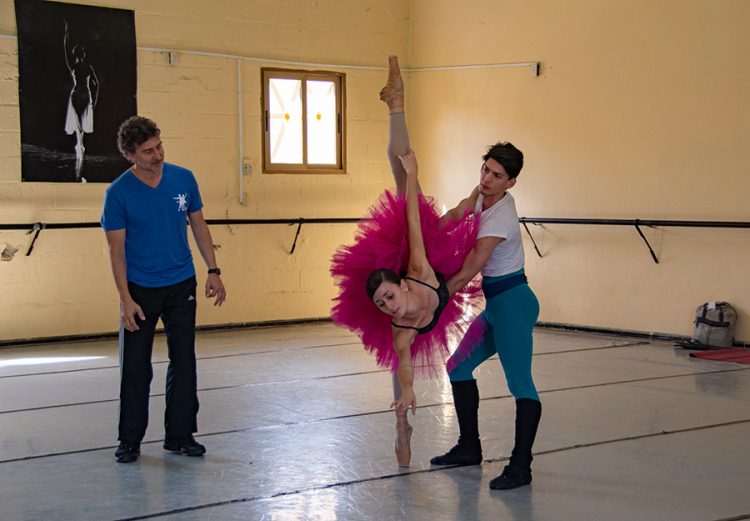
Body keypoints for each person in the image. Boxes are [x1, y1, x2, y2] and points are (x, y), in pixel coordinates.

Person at [330, 57, 482, 467]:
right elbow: (406, 365)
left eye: (388, 298)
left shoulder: (416, 270)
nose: (388, 307)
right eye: (384, 305)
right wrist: (410, 393)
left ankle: (395, 102)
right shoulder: (398, 325)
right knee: (400, 380)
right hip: (428, 294)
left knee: (412, 190)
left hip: (424, 268)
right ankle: (402, 426)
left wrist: (416, 177)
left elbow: (415, 218)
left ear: (399, 285)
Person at [101, 116, 227, 463]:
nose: (157, 155)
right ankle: (130, 440)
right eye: (147, 151)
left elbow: (199, 226)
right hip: (141, 290)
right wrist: (126, 299)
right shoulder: (118, 193)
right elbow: (116, 251)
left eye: (159, 146)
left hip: (181, 283)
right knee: (136, 367)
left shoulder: (183, 178)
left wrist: (213, 270)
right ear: (130, 155)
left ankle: (180, 435)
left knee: (184, 359)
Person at [429, 139, 542, 490]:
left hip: (513, 303)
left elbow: (468, 270)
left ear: (511, 182)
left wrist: (434, 299)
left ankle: (521, 467)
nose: (487, 178)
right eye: (485, 169)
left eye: (497, 175)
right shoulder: (480, 195)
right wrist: (421, 237)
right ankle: (468, 448)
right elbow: (455, 214)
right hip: (496, 304)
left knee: (521, 385)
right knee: (457, 366)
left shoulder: (501, 218)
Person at [64, 21, 99, 179]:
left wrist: (65, 34)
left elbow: (65, 51)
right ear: (83, 54)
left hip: (77, 93)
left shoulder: (74, 66)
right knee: (82, 120)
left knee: (78, 120)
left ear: (75, 55)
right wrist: (95, 98)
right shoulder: (88, 67)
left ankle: (79, 144)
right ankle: (80, 144)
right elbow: (96, 83)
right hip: (86, 93)